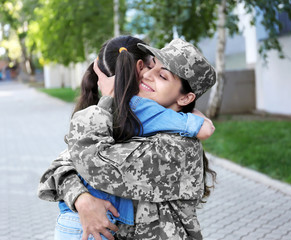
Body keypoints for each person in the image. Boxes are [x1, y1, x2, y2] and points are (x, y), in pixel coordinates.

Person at [39, 38, 217, 240]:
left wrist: (108, 99)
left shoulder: (179, 147)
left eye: (162, 76)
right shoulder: (128, 123)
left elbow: (93, 164)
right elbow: (57, 170)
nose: (147, 75)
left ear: (185, 98)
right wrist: (81, 199)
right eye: (150, 66)